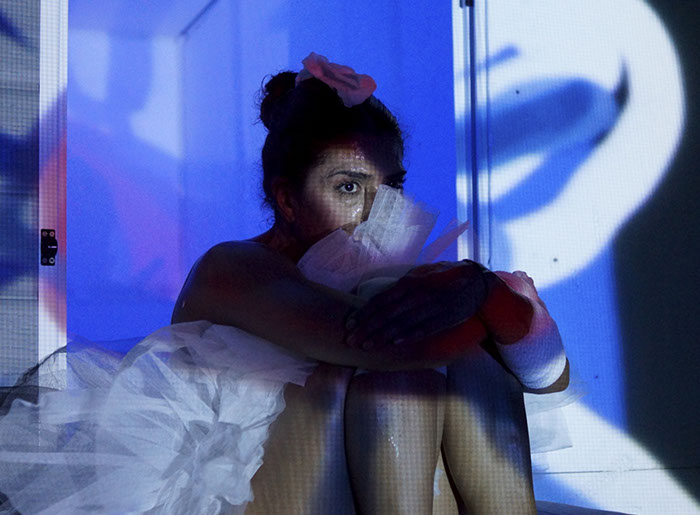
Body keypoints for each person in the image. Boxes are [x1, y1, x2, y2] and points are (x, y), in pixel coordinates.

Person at [0, 53, 569, 514]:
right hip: (256, 495)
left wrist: (484, 297)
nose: (378, 212)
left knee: (468, 357)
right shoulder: (233, 267)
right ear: (287, 199)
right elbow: (371, 343)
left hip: (364, 479)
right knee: (397, 348)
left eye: (391, 186)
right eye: (349, 187)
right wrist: (484, 301)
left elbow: (549, 379)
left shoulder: (395, 273)